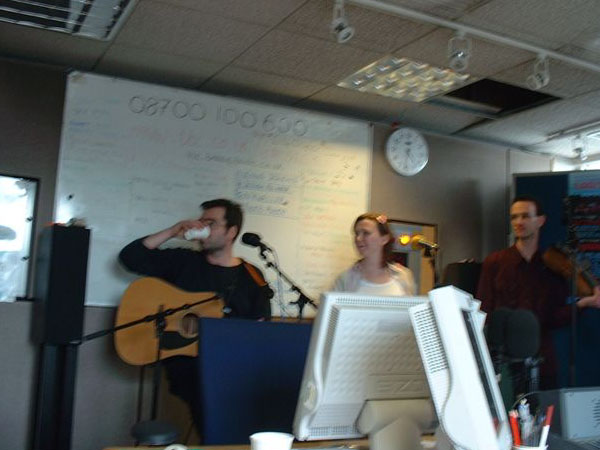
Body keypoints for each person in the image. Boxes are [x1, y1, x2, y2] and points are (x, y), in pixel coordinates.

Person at [119, 198, 272, 436]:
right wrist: (172, 231)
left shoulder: (251, 276)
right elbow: (130, 257)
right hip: (188, 365)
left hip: (231, 366)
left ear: (231, 231)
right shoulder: (183, 261)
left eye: (210, 223)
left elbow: (261, 325)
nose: (202, 227)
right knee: (210, 399)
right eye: (201, 222)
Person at [476, 195, 600, 389]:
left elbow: (554, 316)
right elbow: (484, 310)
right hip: (503, 360)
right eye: (514, 217)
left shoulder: (553, 264)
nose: (519, 222)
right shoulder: (495, 262)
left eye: (525, 216)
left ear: (540, 220)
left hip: (542, 359)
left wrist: (583, 303)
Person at [332, 213, 416, 295]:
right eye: (356, 233)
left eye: (366, 233)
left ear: (384, 239)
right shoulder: (345, 279)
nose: (358, 238)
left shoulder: (404, 276)